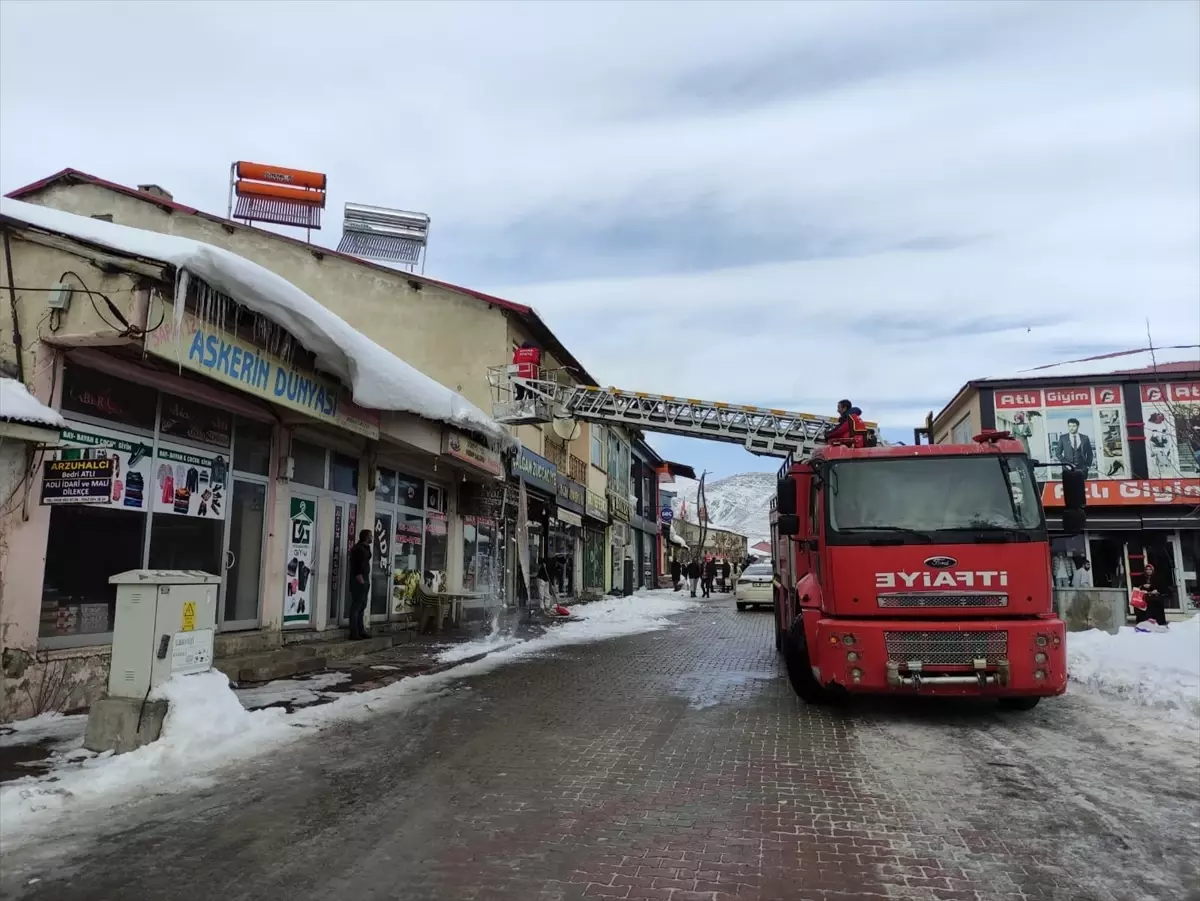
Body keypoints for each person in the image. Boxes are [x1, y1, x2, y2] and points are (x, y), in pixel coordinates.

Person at [348, 529, 373, 640]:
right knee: (357, 606)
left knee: (362, 606)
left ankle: (361, 630)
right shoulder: (357, 549)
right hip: (359, 580)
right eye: (371, 536)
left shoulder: (365, 548)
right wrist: (360, 578)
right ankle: (354, 632)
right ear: (366, 537)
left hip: (365, 578)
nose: (372, 538)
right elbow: (356, 565)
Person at [1135, 562, 1170, 627]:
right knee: (1144, 617)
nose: (1148, 571)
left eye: (1150, 569)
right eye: (1147, 569)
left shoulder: (1158, 578)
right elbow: (1136, 587)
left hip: (1156, 600)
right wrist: (1143, 586)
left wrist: (1157, 590)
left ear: (1153, 570)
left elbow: (1164, 588)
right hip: (1145, 600)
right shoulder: (1141, 578)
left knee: (1157, 617)